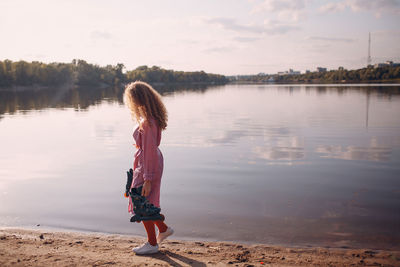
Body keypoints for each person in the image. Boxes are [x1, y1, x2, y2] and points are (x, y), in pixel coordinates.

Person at [124, 81, 174, 254]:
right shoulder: (150, 119)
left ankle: (152, 244)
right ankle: (163, 229)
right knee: (146, 201)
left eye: (131, 99)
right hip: (147, 163)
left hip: (148, 164)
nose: (131, 104)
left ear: (138, 99)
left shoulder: (148, 123)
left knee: (143, 202)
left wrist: (148, 179)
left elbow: (150, 151)